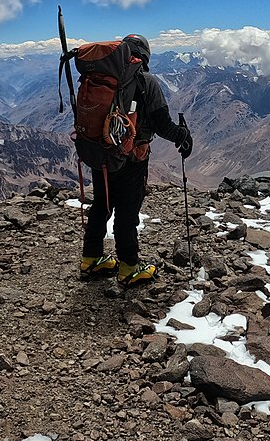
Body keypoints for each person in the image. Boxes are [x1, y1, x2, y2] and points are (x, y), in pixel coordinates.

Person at [78, 35, 193, 287]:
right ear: (145, 55)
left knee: (102, 204)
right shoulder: (145, 81)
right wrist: (182, 136)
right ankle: (129, 267)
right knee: (127, 213)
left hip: (100, 153)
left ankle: (91, 259)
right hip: (132, 158)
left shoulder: (97, 79)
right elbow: (162, 125)